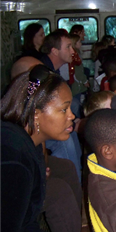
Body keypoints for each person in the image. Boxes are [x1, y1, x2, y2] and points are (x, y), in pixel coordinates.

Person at [0, 64, 86, 232]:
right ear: (36, 115)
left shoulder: (31, 143)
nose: (71, 115)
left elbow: (21, 214)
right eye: (63, 109)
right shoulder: (11, 162)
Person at [40, 30, 82, 180]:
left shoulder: (54, 71)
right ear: (55, 51)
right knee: (65, 141)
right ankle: (75, 183)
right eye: (68, 47)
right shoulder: (44, 70)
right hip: (40, 124)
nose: (73, 51)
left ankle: (79, 175)